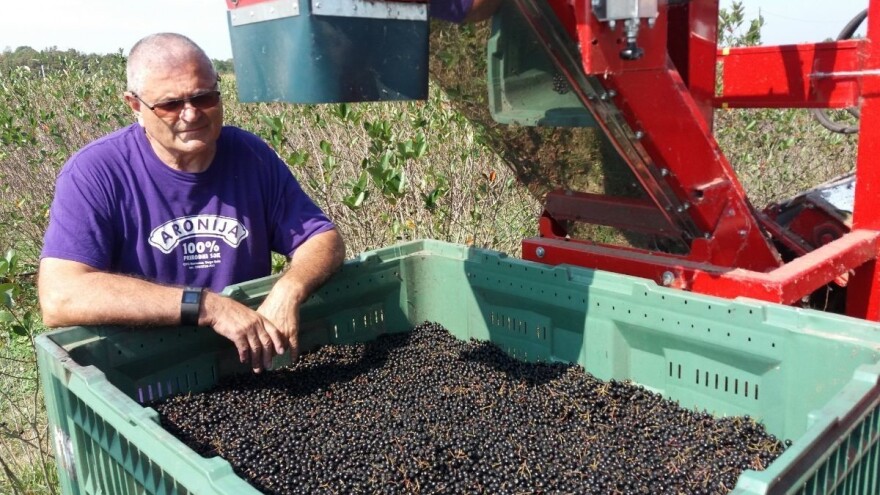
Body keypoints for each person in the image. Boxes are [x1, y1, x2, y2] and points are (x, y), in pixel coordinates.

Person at [37, 33, 346, 374]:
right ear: (135, 105)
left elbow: (320, 238)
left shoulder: (251, 156)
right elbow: (61, 295)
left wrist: (290, 288)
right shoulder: (95, 173)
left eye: (204, 98)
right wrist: (205, 306)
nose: (191, 114)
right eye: (170, 105)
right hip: (146, 369)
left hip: (244, 363)